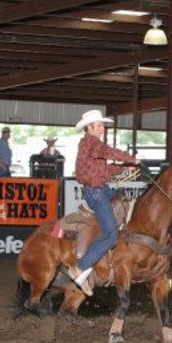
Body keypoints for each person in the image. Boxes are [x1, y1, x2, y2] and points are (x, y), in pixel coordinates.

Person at [67, 109, 139, 296]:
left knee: (126, 203)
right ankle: (80, 267)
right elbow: (108, 152)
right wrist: (132, 159)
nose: (102, 128)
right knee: (111, 233)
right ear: (90, 127)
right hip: (97, 193)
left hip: (101, 190)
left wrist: (124, 167)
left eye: (102, 124)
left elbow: (104, 169)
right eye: (99, 125)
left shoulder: (89, 146)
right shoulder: (92, 143)